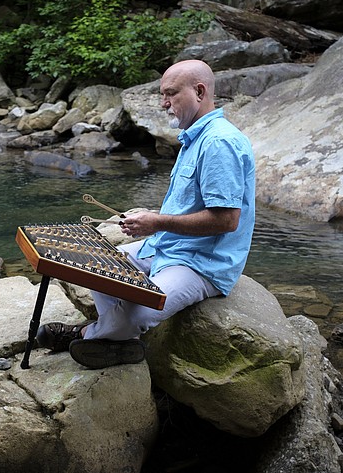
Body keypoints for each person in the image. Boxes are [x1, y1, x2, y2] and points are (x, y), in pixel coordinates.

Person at [36, 59, 256, 368]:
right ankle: (117, 341)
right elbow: (191, 206)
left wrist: (156, 222)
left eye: (171, 94)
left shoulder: (219, 142)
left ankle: (87, 334)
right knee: (97, 265)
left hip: (203, 263)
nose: (164, 103)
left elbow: (226, 220)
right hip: (171, 244)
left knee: (136, 312)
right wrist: (152, 217)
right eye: (163, 95)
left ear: (199, 91)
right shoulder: (195, 137)